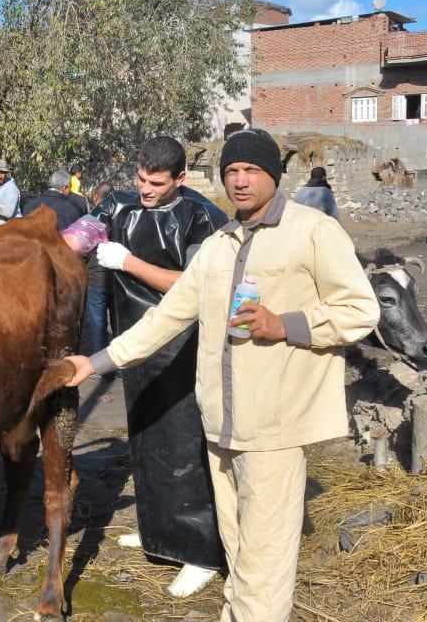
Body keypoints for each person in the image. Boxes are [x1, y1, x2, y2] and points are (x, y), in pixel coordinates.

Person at [66, 129, 379, 621]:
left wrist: (286, 324)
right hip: (219, 428)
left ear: (273, 175)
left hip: (273, 428)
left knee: (265, 565)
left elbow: (361, 310)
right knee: (238, 552)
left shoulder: (312, 231)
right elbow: (165, 319)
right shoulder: (217, 246)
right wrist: (96, 362)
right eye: (231, 171)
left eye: (251, 170)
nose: (240, 180)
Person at [90, 136, 228, 597]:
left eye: (156, 183)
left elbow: (190, 286)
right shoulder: (126, 208)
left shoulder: (200, 219)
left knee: (185, 445)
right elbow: (83, 229)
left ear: (180, 179)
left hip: (182, 347)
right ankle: (159, 535)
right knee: (147, 440)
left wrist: (128, 262)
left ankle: (200, 551)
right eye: (141, 179)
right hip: (136, 344)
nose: (145, 189)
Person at [80, 181, 114, 357]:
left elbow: (82, 249)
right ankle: (120, 364)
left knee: (98, 323)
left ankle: (100, 364)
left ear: (95, 198)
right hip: (119, 279)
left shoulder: (92, 218)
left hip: (96, 278)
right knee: (118, 324)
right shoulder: (124, 215)